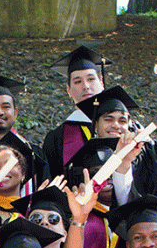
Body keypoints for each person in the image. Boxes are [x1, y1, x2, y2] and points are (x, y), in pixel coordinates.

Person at [42, 46, 108, 178]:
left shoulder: (125, 126)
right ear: (68, 90)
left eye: (91, 79)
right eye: (78, 81)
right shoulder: (56, 139)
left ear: (102, 83)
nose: (86, 86)